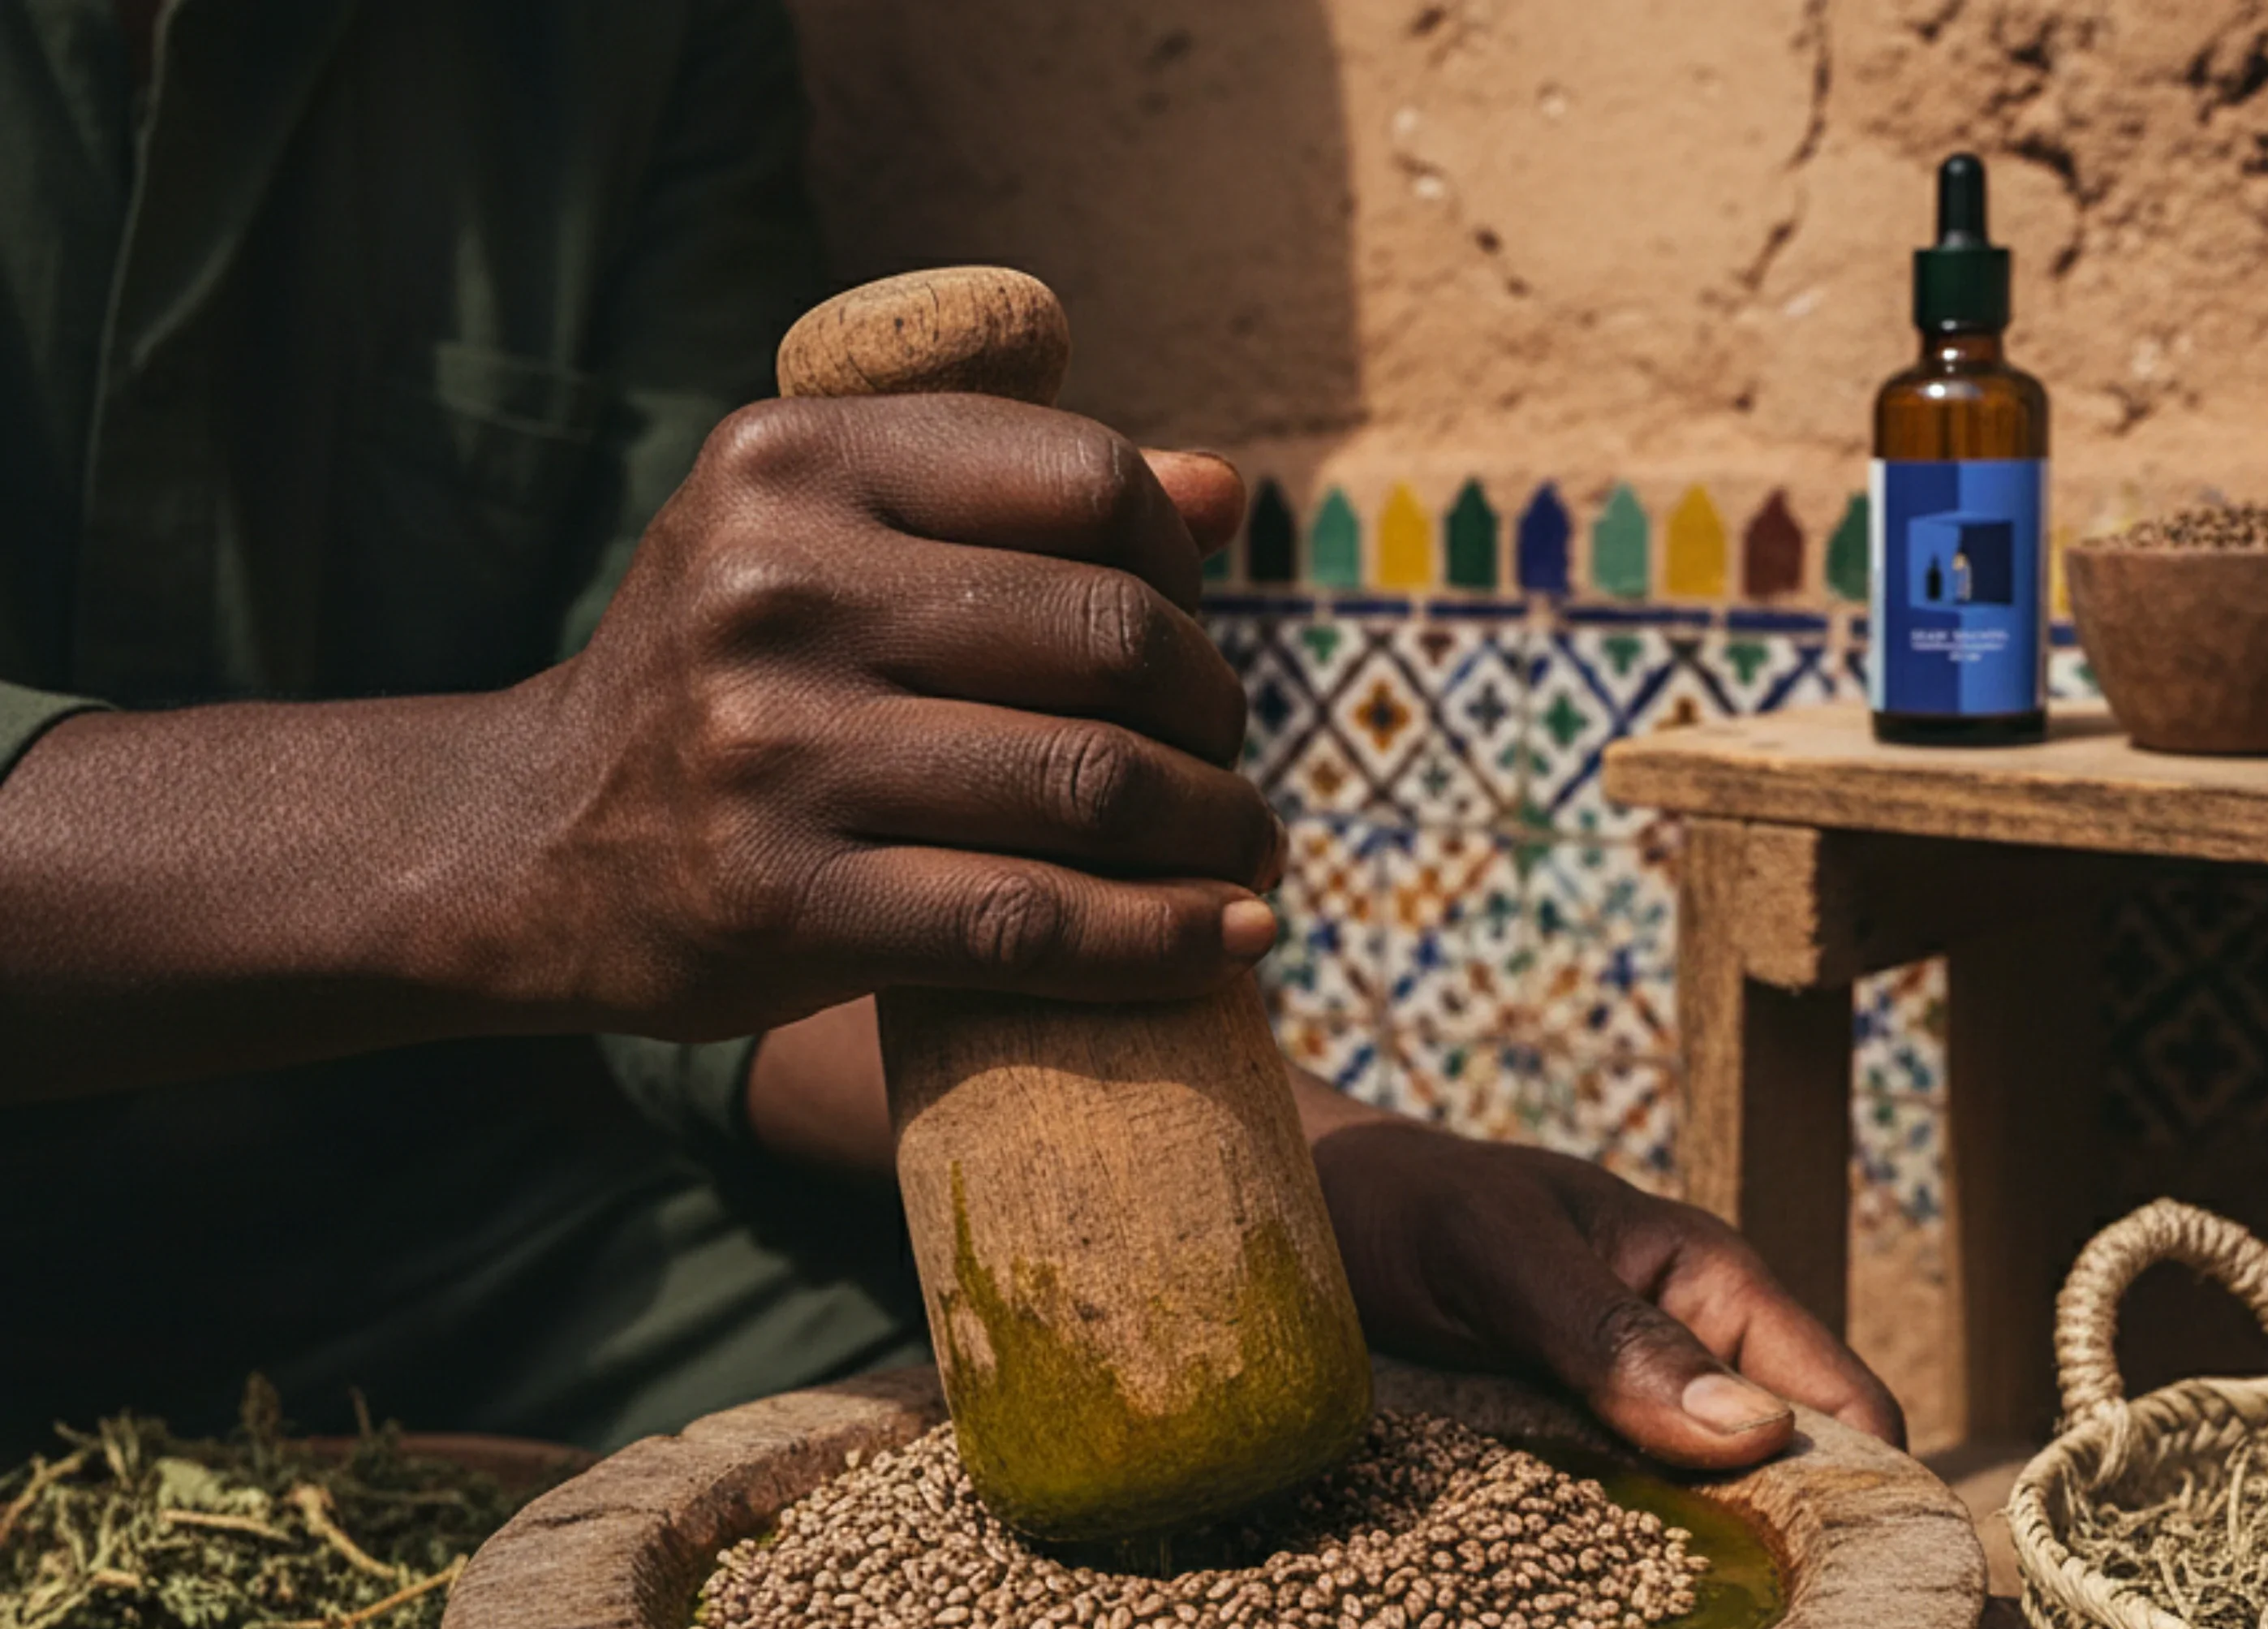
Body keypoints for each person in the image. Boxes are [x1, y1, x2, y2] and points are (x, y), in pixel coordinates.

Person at [0, 0, 1899, 1471]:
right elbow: (599, 819)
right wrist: (519, 813)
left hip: (495, 1261)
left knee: (1228, 1433)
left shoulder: (639, 33)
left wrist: (1331, 1170)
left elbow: (734, 848)